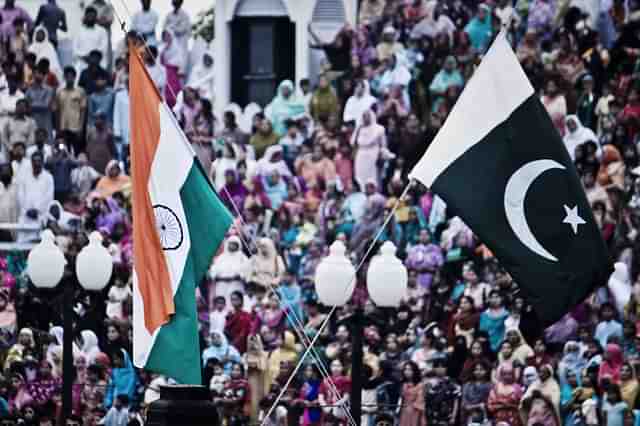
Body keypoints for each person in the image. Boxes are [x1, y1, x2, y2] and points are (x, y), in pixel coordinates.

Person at [16, 152, 53, 242]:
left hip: (40, 216)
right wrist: (27, 210)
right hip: (25, 216)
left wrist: (37, 210)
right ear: (31, 162)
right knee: (22, 244)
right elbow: (20, 195)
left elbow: (49, 197)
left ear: (42, 162)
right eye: (34, 161)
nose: (36, 163)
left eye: (39, 161)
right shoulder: (24, 176)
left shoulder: (48, 177)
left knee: (38, 244)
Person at [351, 110, 386, 190]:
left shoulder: (379, 129)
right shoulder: (359, 128)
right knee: (360, 177)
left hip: (373, 154)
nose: (365, 118)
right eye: (363, 116)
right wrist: (358, 129)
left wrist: (381, 156)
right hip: (361, 155)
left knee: (373, 177)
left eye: (367, 115)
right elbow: (353, 143)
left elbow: (383, 146)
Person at [56, 67, 87, 154]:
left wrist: (81, 128)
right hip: (63, 128)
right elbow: (57, 111)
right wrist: (58, 129)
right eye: (67, 76)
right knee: (63, 150)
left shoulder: (80, 91)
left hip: (76, 128)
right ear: (64, 77)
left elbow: (83, 111)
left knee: (76, 151)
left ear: (74, 77)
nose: (69, 78)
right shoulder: (59, 92)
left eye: (71, 76)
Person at [73, 7, 108, 76]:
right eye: (89, 16)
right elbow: (75, 49)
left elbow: (103, 47)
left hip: (97, 62)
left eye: (93, 16)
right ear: (85, 17)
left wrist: (93, 58)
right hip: (82, 62)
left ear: (96, 18)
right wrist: (85, 57)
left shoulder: (102, 31)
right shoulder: (78, 31)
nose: (91, 18)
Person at [398, 361, 426, 426]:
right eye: (405, 369)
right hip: (404, 411)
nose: (406, 372)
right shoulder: (403, 384)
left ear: (414, 371)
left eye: (409, 369)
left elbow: (420, 401)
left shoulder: (420, 385)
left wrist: (411, 407)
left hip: (415, 412)